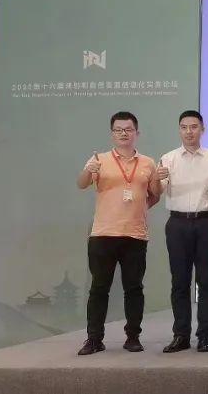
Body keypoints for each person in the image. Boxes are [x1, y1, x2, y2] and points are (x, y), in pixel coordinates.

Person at [76, 111, 159, 355]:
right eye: (118, 130)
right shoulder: (98, 159)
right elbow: (81, 184)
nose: (124, 133)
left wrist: (141, 205)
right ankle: (94, 339)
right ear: (112, 134)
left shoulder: (148, 163)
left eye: (128, 129)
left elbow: (155, 194)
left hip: (135, 234)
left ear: (136, 133)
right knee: (99, 288)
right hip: (103, 233)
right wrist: (88, 170)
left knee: (134, 288)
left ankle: (133, 337)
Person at [152, 110, 208, 353]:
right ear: (179, 130)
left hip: (206, 222)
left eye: (194, 127)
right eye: (184, 127)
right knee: (179, 282)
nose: (189, 132)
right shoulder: (168, 158)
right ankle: (181, 335)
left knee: (206, 280)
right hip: (177, 223)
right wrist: (156, 179)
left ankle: (204, 335)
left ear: (202, 129)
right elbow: (158, 191)